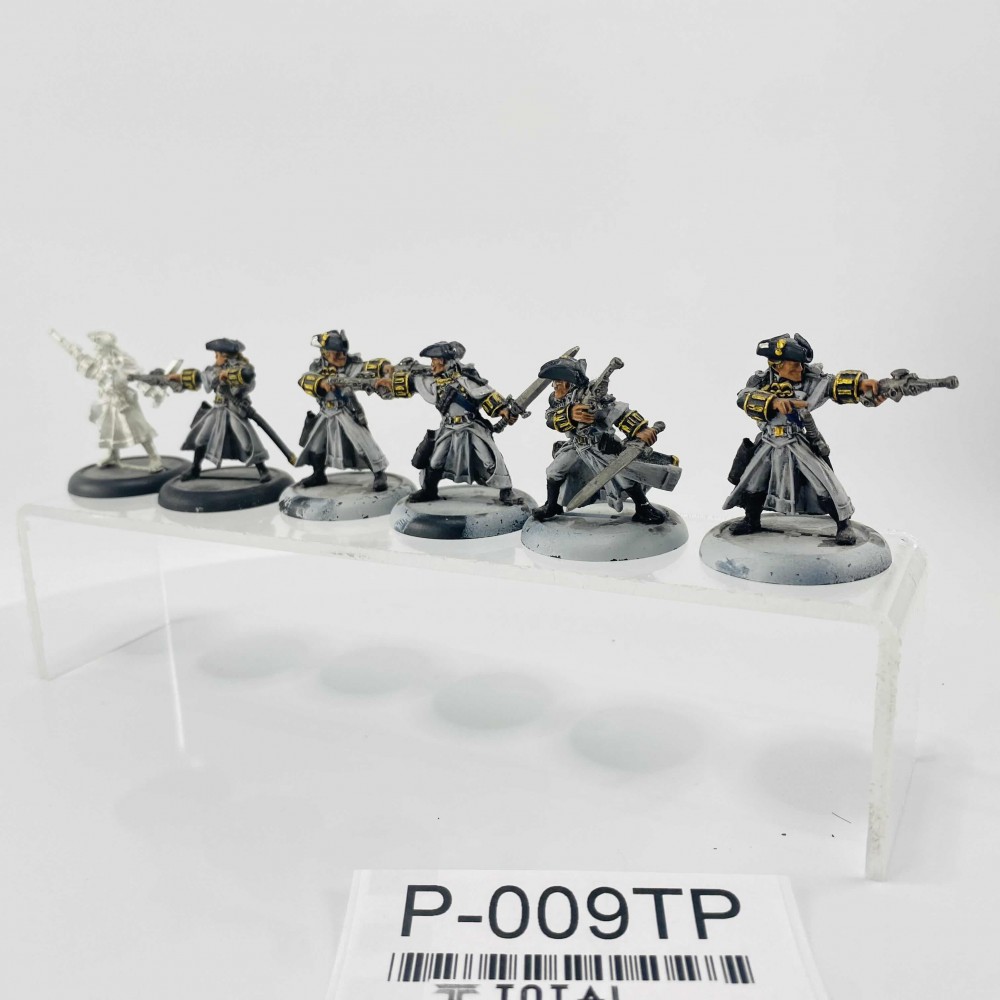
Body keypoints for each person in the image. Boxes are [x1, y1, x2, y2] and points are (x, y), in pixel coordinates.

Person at [723, 333, 884, 545]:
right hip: (769, 442)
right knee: (753, 483)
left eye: (800, 365)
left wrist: (862, 385)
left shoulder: (810, 380)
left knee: (824, 483)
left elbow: (832, 384)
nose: (800, 369)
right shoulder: (761, 380)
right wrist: (773, 402)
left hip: (796, 440)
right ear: (777, 365)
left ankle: (843, 524)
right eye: (794, 366)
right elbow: (743, 397)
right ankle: (751, 519)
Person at [530, 355, 678, 524]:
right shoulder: (557, 400)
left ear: (568, 382)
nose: (555, 386)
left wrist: (640, 429)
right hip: (576, 445)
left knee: (622, 475)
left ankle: (643, 507)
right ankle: (551, 505)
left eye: (558, 382)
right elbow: (550, 419)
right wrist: (569, 414)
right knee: (553, 471)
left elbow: (618, 411)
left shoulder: (594, 396)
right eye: (554, 382)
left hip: (600, 445)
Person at [379, 341, 518, 503]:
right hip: (448, 428)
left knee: (489, 460)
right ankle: (429, 491)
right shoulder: (432, 382)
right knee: (435, 460)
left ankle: (506, 490)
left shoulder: (466, 380)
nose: (432, 365)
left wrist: (503, 410)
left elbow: (486, 394)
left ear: (446, 362)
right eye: (432, 361)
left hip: (471, 428)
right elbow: (411, 382)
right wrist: (389, 382)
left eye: (435, 360)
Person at [295, 330, 392, 490]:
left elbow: (366, 368)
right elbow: (304, 379)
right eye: (336, 354)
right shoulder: (317, 367)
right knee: (316, 445)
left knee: (363, 443)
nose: (342, 357)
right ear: (325, 353)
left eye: (343, 353)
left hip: (345, 410)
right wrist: (321, 383)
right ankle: (318, 474)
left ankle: (379, 474)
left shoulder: (350, 367)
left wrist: (384, 368)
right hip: (326, 412)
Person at [169, 338, 270, 481]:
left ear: (225, 356)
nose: (215, 358)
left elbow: (248, 382)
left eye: (217, 355)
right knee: (201, 439)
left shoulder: (240, 369)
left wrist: (231, 377)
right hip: (218, 410)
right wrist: (178, 377)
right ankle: (195, 468)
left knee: (246, 441)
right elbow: (201, 377)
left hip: (234, 410)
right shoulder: (215, 369)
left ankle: (262, 469)